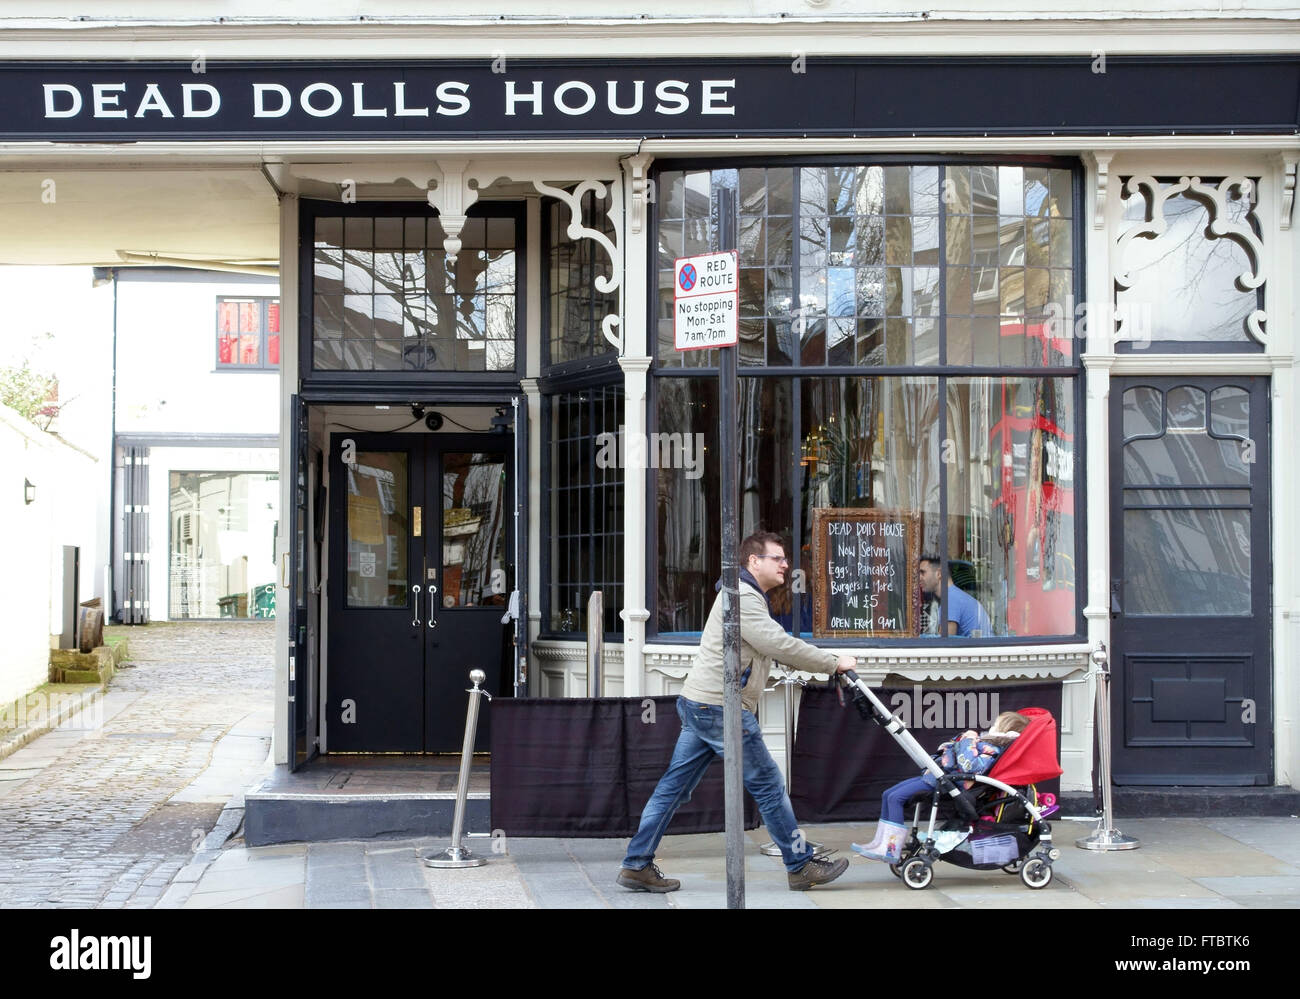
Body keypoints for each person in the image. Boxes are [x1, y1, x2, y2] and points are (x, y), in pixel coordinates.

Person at [618, 531, 857, 893]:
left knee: (673, 788)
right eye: (777, 558)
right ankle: (800, 864)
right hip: (719, 707)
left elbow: (766, 646)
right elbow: (776, 643)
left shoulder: (744, 595)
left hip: (701, 703)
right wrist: (832, 662)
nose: (786, 565)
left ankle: (636, 864)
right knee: (768, 786)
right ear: (753, 561)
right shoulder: (743, 597)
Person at [851, 711, 1030, 863]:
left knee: (896, 798)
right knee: (888, 794)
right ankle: (880, 842)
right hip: (935, 775)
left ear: (1006, 732)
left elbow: (970, 766)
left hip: (947, 782)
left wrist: (968, 740)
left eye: (996, 725)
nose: (992, 728)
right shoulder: (986, 743)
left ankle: (890, 849)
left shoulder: (993, 749)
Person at [919, 555, 992, 637]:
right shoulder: (954, 596)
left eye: (922, 572)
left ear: (939, 574)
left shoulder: (951, 600)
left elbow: (944, 644)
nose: (919, 577)